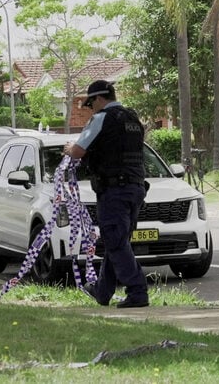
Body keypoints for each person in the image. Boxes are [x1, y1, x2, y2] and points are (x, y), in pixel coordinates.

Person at [64, 80, 149, 309]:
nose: (91, 109)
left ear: (100, 99)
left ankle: (137, 291)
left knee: (115, 240)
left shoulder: (102, 118)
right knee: (117, 241)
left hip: (114, 190)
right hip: (136, 188)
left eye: (91, 104)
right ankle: (102, 291)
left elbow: (78, 151)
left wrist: (69, 147)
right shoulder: (132, 119)